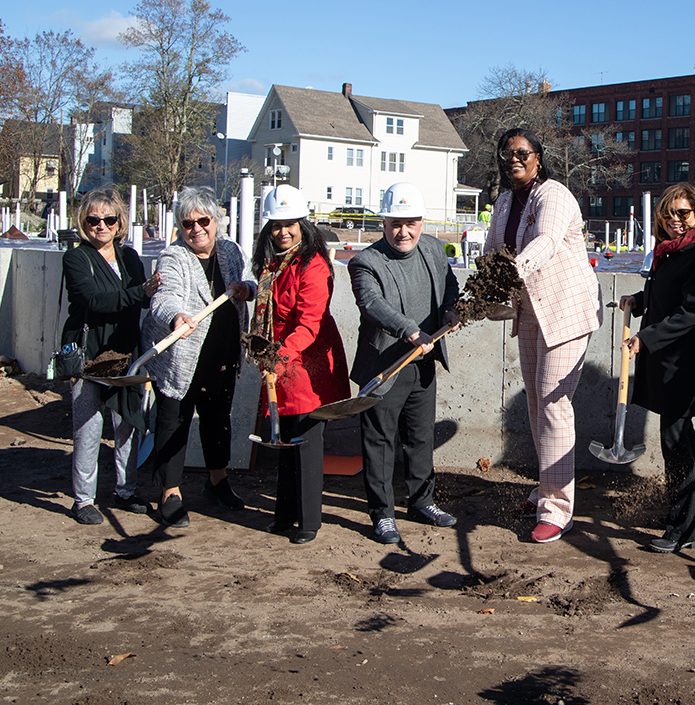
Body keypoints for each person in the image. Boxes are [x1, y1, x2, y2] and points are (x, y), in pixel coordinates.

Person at [484, 128, 602, 544]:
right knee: (536, 402)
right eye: (506, 152)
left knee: (554, 404)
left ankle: (557, 508)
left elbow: (547, 241)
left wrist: (507, 274)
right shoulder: (502, 203)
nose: (513, 158)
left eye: (522, 152)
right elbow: (492, 252)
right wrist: (479, 291)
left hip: (565, 310)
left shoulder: (553, 194)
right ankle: (544, 490)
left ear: (538, 156)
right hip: (529, 310)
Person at [349, 181, 460, 545]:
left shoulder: (432, 249)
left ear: (422, 222)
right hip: (385, 366)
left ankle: (421, 501)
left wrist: (451, 309)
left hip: (423, 363)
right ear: (383, 223)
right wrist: (410, 330)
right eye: (395, 223)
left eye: (410, 222)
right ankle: (381, 513)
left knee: (420, 437)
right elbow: (373, 305)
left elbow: (449, 284)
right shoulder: (366, 262)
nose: (403, 231)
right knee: (379, 441)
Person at [142, 186, 257, 528]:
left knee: (218, 419)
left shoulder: (230, 251)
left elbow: (249, 281)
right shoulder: (174, 257)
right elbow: (164, 297)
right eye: (188, 224)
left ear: (216, 221)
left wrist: (246, 290)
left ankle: (217, 480)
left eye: (203, 221)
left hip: (222, 354)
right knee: (173, 421)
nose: (197, 230)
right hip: (182, 358)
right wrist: (177, 316)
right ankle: (170, 492)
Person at [618, 184, 695, 553]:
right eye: (669, 213)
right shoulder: (670, 253)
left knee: (674, 440)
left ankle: (685, 528)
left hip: (685, 362)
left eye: (684, 213)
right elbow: (666, 294)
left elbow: (693, 311)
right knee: (682, 436)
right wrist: (639, 299)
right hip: (666, 358)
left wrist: (646, 338)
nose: (676, 220)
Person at [252, 185, 350, 545]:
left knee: (306, 440)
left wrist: (278, 358)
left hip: (307, 363)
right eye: (276, 225)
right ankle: (284, 515)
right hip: (278, 360)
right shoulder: (270, 263)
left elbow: (309, 322)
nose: (283, 231)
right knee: (285, 441)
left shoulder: (313, 264)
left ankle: (309, 521)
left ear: (302, 224)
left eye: (290, 223)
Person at [60, 186, 159, 524]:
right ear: (82, 222)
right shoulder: (76, 258)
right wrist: (138, 292)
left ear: (120, 223)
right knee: (88, 427)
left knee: (128, 422)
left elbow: (146, 300)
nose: (100, 226)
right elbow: (94, 299)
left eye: (108, 219)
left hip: (126, 350)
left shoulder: (130, 257)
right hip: (90, 353)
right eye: (93, 219)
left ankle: (125, 491)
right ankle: (83, 500)